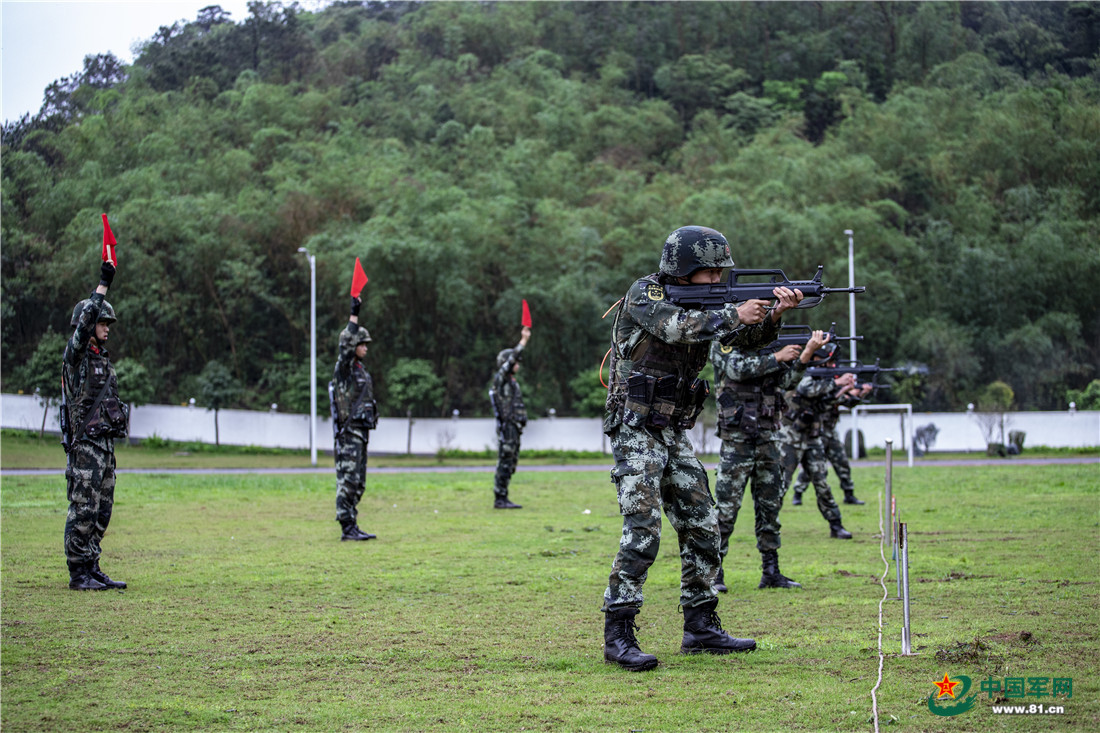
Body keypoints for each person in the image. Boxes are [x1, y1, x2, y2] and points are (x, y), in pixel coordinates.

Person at [600, 225, 804, 671]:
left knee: (703, 524)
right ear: (683, 269)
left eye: (720, 273)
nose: (717, 282)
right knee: (644, 528)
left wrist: (771, 317)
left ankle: (700, 625)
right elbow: (675, 328)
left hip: (673, 429)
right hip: (635, 427)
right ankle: (617, 631)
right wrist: (734, 314)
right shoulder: (645, 293)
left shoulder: (713, 306)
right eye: (709, 273)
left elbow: (743, 341)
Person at [709, 328, 830, 593]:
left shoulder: (771, 348)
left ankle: (771, 571)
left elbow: (787, 383)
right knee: (726, 510)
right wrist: (777, 357)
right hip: (736, 442)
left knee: (769, 509)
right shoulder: (724, 342)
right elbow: (737, 370)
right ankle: (714, 573)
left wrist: (807, 353)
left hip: (768, 438)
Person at [62, 260, 130, 590]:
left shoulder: (103, 360)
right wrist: (103, 284)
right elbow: (87, 319)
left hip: (104, 446)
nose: (107, 327)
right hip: (85, 448)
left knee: (102, 512)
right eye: (103, 322)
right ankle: (78, 573)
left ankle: (92, 565)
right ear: (88, 325)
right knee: (83, 510)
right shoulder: (75, 359)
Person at [779, 365, 858, 539]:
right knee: (780, 485)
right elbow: (804, 389)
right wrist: (837, 382)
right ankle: (767, 526)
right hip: (791, 438)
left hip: (812, 438)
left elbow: (822, 406)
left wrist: (842, 390)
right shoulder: (802, 374)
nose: (831, 365)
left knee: (822, 483)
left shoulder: (821, 382)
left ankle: (836, 525)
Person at [790, 367, 873, 507]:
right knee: (812, 466)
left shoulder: (833, 390)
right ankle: (798, 494)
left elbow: (848, 403)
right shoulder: (820, 389)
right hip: (817, 431)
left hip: (831, 432)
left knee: (842, 463)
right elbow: (828, 401)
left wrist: (861, 394)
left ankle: (849, 494)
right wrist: (844, 389)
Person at [330, 295, 378, 541]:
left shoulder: (361, 369)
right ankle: (346, 527)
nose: (366, 348)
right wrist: (354, 314)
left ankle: (353, 523)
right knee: (348, 480)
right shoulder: (345, 369)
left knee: (359, 482)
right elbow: (345, 343)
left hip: (361, 432)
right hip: (349, 433)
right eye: (363, 344)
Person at [490, 326, 530, 509]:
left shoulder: (511, 383)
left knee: (511, 462)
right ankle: (500, 498)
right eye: (515, 362)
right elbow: (512, 359)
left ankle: (503, 496)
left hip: (514, 428)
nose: (518, 365)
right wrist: (523, 341)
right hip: (508, 427)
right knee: (505, 461)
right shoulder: (502, 378)